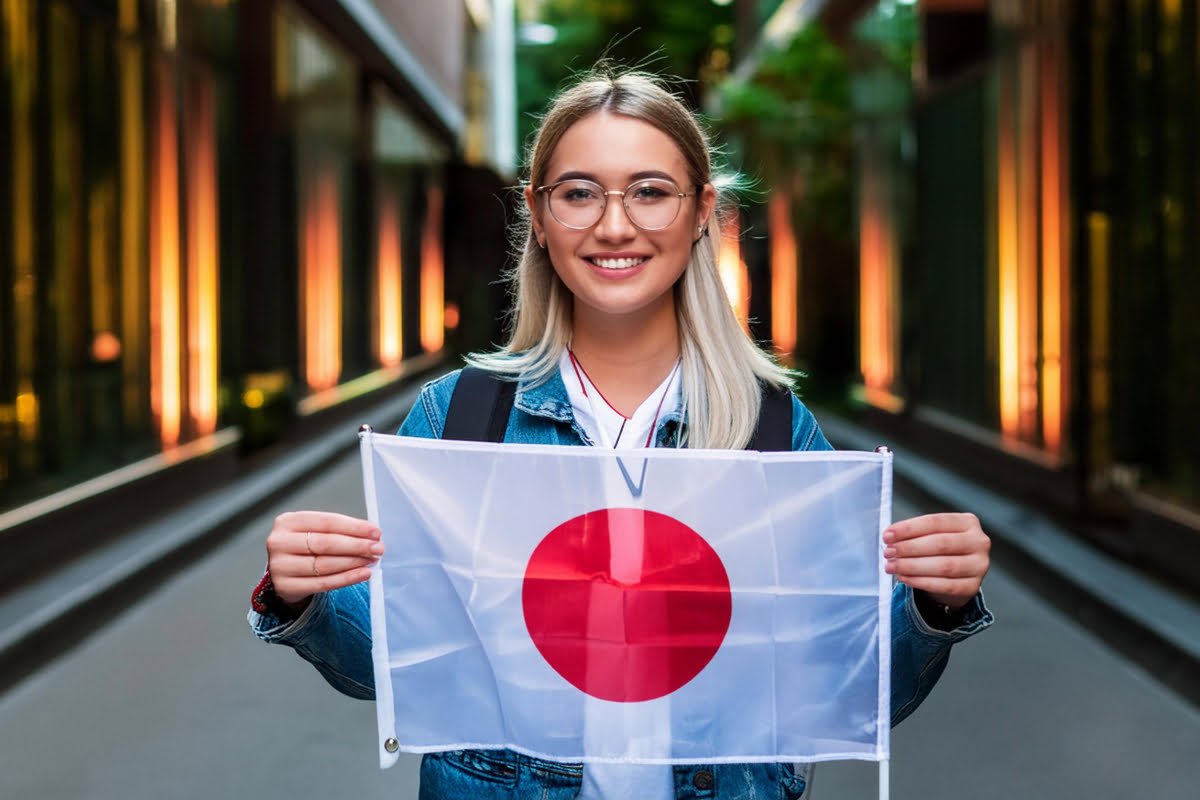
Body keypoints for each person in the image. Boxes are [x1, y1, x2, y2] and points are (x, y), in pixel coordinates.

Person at [249, 69, 993, 799]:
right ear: (538, 217)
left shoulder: (770, 428)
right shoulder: (464, 420)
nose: (614, 224)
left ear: (702, 210)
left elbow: (839, 685)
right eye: (578, 193)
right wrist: (303, 595)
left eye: (649, 192)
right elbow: (397, 667)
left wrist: (934, 606)